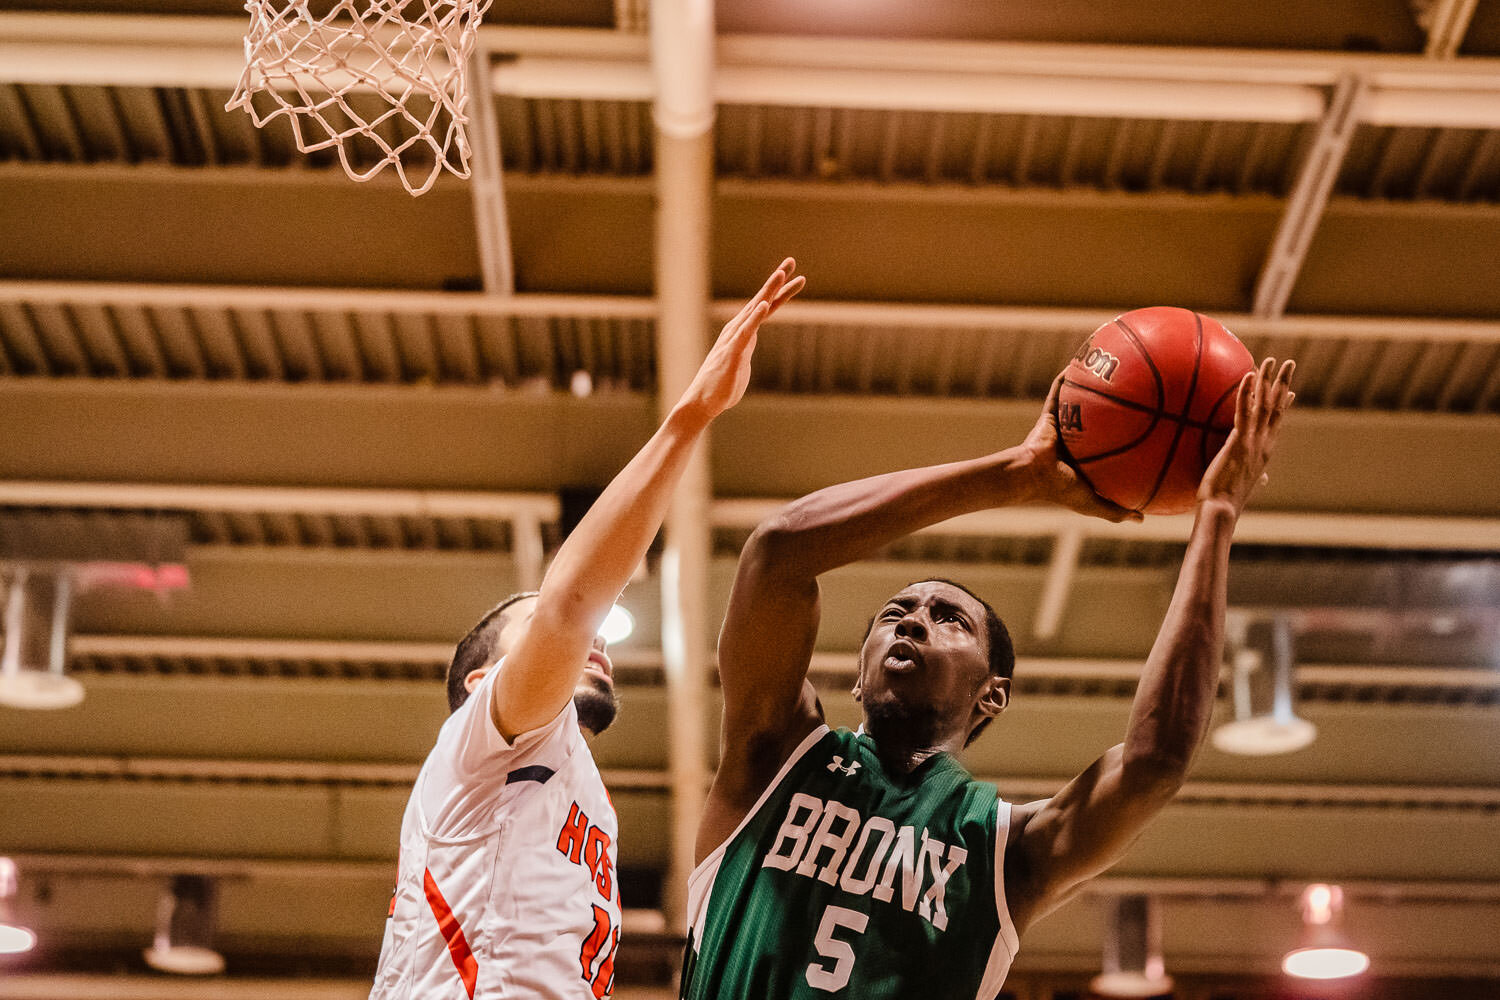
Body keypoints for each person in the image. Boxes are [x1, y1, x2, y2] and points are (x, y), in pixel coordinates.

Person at [681, 358, 1296, 999]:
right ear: (857, 680)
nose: (913, 624)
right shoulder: (776, 756)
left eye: (950, 620)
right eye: (895, 614)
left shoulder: (1004, 851)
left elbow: (1156, 762)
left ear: (992, 693)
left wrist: (1218, 514)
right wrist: (1019, 474)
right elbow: (778, 552)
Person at [370, 259, 805, 1000]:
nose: (594, 638)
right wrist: (691, 415)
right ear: (482, 685)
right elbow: (569, 605)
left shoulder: (578, 789)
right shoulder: (490, 739)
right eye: (529, 631)